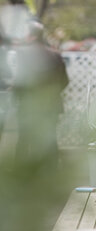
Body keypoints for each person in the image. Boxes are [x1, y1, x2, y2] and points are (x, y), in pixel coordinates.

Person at [13, 20, 69, 167]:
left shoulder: (23, 54)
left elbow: (19, 82)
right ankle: (51, 172)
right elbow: (65, 81)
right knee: (50, 139)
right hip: (51, 106)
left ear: (30, 36)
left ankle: (20, 172)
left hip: (28, 107)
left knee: (25, 140)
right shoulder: (55, 55)